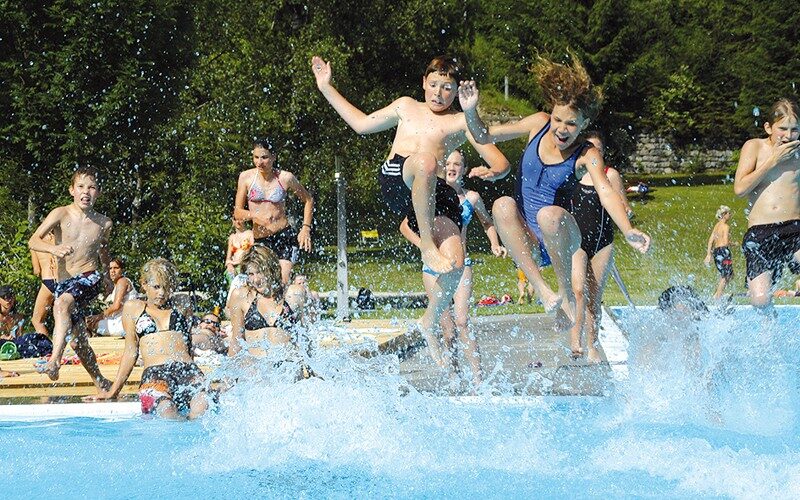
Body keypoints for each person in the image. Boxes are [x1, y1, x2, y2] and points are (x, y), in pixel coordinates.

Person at [311, 54, 510, 368]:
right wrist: (326, 87)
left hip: (433, 192)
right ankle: (427, 246)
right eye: (434, 85)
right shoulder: (406, 106)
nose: (438, 93)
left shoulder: (461, 120)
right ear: (423, 83)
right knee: (426, 162)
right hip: (398, 177)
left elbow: (493, 151)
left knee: (456, 262)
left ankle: (429, 320)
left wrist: (493, 163)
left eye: (447, 88)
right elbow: (361, 125)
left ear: (458, 91)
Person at [459, 55, 650, 360]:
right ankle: (544, 291)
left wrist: (627, 230)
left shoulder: (586, 153)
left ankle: (565, 295)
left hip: (562, 237)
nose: (561, 129)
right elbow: (484, 135)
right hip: (531, 240)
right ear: (551, 113)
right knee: (503, 205)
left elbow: (606, 191)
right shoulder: (537, 124)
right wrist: (470, 112)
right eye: (558, 120)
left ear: (584, 124)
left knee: (548, 215)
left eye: (571, 124)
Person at [400, 150, 506, 387]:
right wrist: (424, 246)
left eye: (457, 164)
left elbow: (487, 222)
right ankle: (454, 377)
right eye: (448, 163)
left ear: (464, 169)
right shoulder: (431, 193)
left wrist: (495, 243)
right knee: (446, 327)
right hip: (432, 267)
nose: (451, 167)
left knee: (462, 321)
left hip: (461, 264)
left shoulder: (472, 197)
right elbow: (405, 226)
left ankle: (478, 379)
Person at [86, 258, 209, 419]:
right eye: (156, 287)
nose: (162, 293)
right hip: (155, 374)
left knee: (201, 407)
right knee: (167, 412)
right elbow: (130, 351)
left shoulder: (181, 304)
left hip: (187, 370)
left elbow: (188, 344)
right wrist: (113, 391)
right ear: (144, 284)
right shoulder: (134, 308)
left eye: (166, 287)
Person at [28, 167, 112, 391]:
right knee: (77, 341)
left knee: (61, 303)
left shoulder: (104, 223)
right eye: (81, 187)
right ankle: (101, 382)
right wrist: (53, 249)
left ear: (98, 192)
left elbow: (103, 250)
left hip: (89, 276)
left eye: (92, 187)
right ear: (72, 190)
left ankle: (54, 360)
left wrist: (106, 277)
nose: (86, 192)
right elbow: (33, 241)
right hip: (64, 283)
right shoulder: (60, 213)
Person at [569, 131, 636, 361]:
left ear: (603, 152)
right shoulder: (573, 173)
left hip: (602, 243)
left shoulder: (610, 175)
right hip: (576, 243)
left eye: (597, 149)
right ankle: (575, 339)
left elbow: (623, 205)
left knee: (593, 299)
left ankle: (593, 345)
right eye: (588, 148)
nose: (592, 153)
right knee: (578, 290)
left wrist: (627, 214)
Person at [734, 98, 800, 310]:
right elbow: (740, 189)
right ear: (768, 128)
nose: (788, 135)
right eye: (782, 129)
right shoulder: (754, 147)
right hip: (761, 231)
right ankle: (769, 329)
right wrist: (773, 160)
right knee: (760, 300)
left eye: (794, 130)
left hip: (795, 228)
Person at [233, 139, 314, 285]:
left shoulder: (285, 178)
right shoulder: (246, 177)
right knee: (262, 283)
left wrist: (305, 228)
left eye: (264, 157)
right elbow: (237, 212)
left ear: (273, 157)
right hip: (261, 239)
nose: (259, 162)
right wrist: (254, 215)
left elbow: (308, 200)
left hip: (283, 235)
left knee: (282, 281)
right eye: (256, 157)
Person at [227, 246, 309, 376]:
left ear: (272, 268)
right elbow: (236, 342)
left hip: (288, 373)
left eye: (260, 272)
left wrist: (313, 372)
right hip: (257, 375)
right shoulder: (242, 297)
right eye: (251, 274)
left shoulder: (294, 294)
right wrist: (228, 379)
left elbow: (305, 337)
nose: (256, 280)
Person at [86, 258, 137, 337]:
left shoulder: (122, 281)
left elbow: (116, 306)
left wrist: (100, 316)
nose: (113, 271)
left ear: (122, 270)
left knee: (87, 322)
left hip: (121, 326)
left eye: (116, 268)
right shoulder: (120, 283)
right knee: (90, 320)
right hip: (123, 322)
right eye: (110, 268)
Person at [704, 206, 734, 300]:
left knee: (728, 274)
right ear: (724, 215)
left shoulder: (716, 226)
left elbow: (710, 240)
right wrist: (734, 244)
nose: (730, 215)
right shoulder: (726, 227)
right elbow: (725, 242)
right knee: (726, 275)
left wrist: (708, 254)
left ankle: (718, 293)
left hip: (716, 252)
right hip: (724, 252)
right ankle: (718, 296)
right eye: (729, 213)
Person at [30, 232, 57, 335]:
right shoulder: (59, 237)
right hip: (62, 280)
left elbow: (36, 270)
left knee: (37, 320)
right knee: (64, 317)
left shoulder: (34, 242)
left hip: (48, 281)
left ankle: (46, 344)